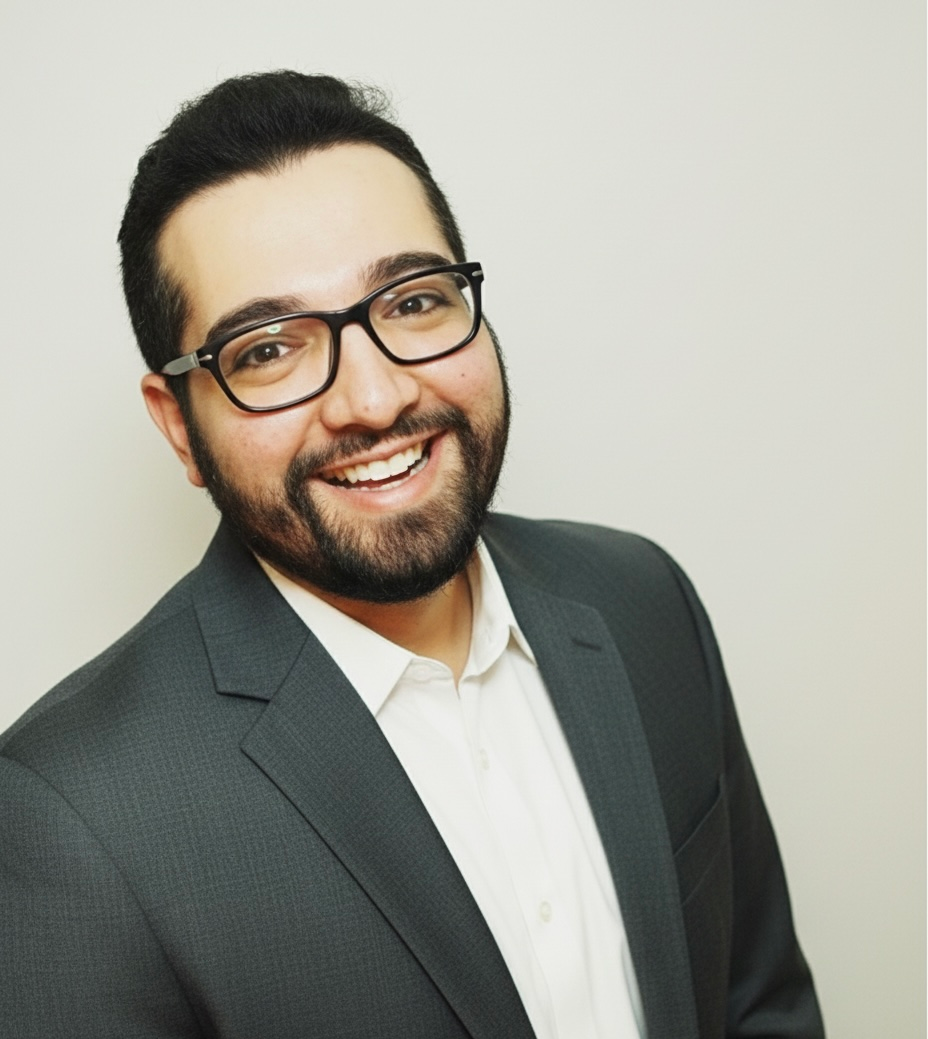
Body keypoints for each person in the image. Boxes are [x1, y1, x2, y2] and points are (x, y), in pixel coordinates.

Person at [0, 71, 824, 1039]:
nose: (375, 398)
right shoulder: (67, 814)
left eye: (412, 300)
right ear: (179, 425)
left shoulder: (643, 601)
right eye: (267, 348)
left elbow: (756, 1000)